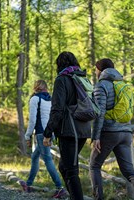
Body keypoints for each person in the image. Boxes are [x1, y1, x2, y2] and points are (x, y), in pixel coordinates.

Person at [89, 58, 134, 200]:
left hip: (109, 132)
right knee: (129, 171)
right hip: (126, 132)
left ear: (100, 69)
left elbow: (100, 113)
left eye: (96, 69)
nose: (95, 72)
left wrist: (96, 137)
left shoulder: (101, 85)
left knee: (94, 166)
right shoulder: (122, 84)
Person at [43, 51, 91, 200]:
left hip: (69, 131)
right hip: (83, 129)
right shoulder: (82, 77)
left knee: (70, 170)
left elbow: (57, 109)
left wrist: (48, 132)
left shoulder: (62, 80)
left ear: (59, 64)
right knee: (64, 166)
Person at [18, 80, 66, 198]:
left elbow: (33, 120)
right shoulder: (50, 99)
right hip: (50, 132)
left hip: (41, 133)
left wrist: (27, 135)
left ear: (35, 87)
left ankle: (59, 187)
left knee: (47, 159)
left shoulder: (35, 99)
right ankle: (28, 184)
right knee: (35, 156)